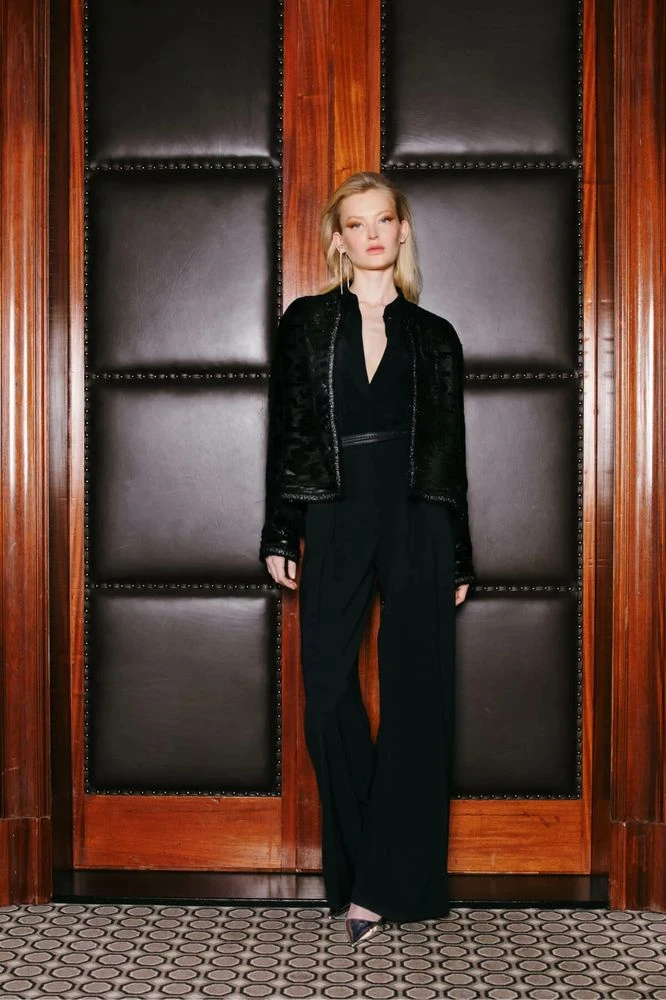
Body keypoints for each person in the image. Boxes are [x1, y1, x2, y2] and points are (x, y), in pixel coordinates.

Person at [259, 171, 475, 947]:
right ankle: (359, 867)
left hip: (418, 515)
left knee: (419, 697)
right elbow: (289, 431)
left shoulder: (436, 335)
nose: (373, 234)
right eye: (357, 224)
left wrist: (458, 556)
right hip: (336, 509)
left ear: (402, 229)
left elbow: (449, 455)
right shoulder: (307, 323)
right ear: (339, 239)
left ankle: (387, 885)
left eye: (384, 220)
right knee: (325, 690)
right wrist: (281, 531)